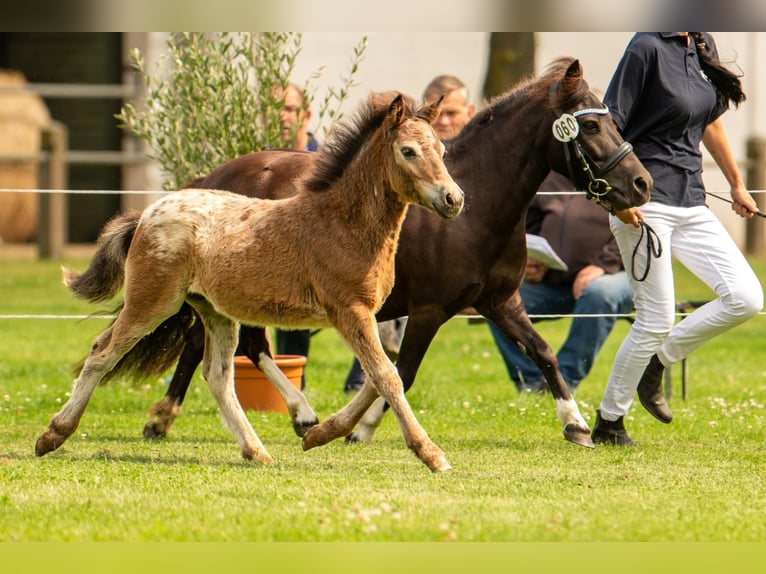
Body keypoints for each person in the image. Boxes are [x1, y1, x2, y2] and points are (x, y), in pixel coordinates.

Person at [592, 32, 763, 446]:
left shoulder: (701, 43)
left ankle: (658, 361)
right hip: (645, 202)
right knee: (655, 318)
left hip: (692, 200)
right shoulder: (645, 46)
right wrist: (617, 201)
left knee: (746, 298)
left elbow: (711, 123)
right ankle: (609, 422)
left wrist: (737, 184)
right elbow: (608, 126)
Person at [342, 74, 475, 393]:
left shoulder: (470, 159)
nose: (443, 121)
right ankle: (365, 376)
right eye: (438, 113)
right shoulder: (408, 148)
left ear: (469, 112)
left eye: (452, 114)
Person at [488, 171, 634, 393]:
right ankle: (532, 383)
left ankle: (562, 382)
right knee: (494, 299)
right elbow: (527, 227)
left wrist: (603, 265)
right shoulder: (548, 177)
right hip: (553, 281)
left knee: (600, 292)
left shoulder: (623, 173)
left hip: (616, 275)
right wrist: (526, 261)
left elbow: (638, 227)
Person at [273, 83, 317, 387]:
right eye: (274, 108)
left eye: (288, 108)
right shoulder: (261, 166)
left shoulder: (325, 161)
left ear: (306, 115)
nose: (281, 116)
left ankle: (356, 384)